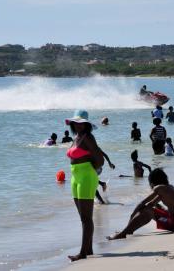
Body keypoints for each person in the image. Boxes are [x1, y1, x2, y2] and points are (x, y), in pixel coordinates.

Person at [65, 110, 105, 261]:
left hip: (87, 176)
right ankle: (88, 249)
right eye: (76, 122)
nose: (78, 125)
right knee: (83, 217)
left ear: (86, 125)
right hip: (75, 177)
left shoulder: (88, 137)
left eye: (81, 123)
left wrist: (90, 169)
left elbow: (99, 160)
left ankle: (83, 253)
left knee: (86, 218)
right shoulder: (76, 137)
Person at [108, 168, 174, 240]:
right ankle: (128, 230)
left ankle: (123, 233)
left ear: (152, 182)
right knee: (149, 209)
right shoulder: (169, 187)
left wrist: (132, 216)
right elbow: (151, 204)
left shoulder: (159, 188)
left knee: (147, 210)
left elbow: (143, 203)